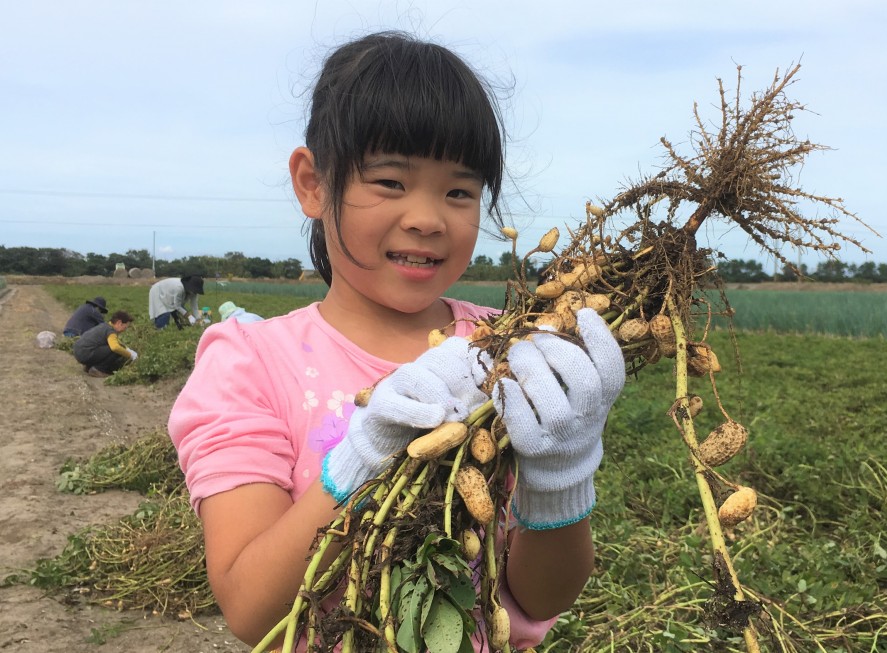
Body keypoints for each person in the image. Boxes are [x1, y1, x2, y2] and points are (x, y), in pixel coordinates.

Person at [168, 31, 625, 651]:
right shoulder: (249, 363)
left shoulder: (507, 349)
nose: (428, 217)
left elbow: (540, 600)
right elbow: (251, 612)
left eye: (459, 192)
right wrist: (358, 462)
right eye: (389, 181)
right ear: (313, 184)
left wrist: (562, 477)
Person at [72, 310, 138, 377]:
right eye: (125, 327)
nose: (124, 330)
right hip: (85, 354)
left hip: (78, 351)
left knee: (107, 346)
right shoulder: (111, 331)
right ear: (119, 323)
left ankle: (89, 366)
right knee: (116, 351)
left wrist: (126, 348)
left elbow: (116, 341)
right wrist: (130, 355)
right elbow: (115, 347)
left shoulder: (104, 326)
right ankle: (97, 369)